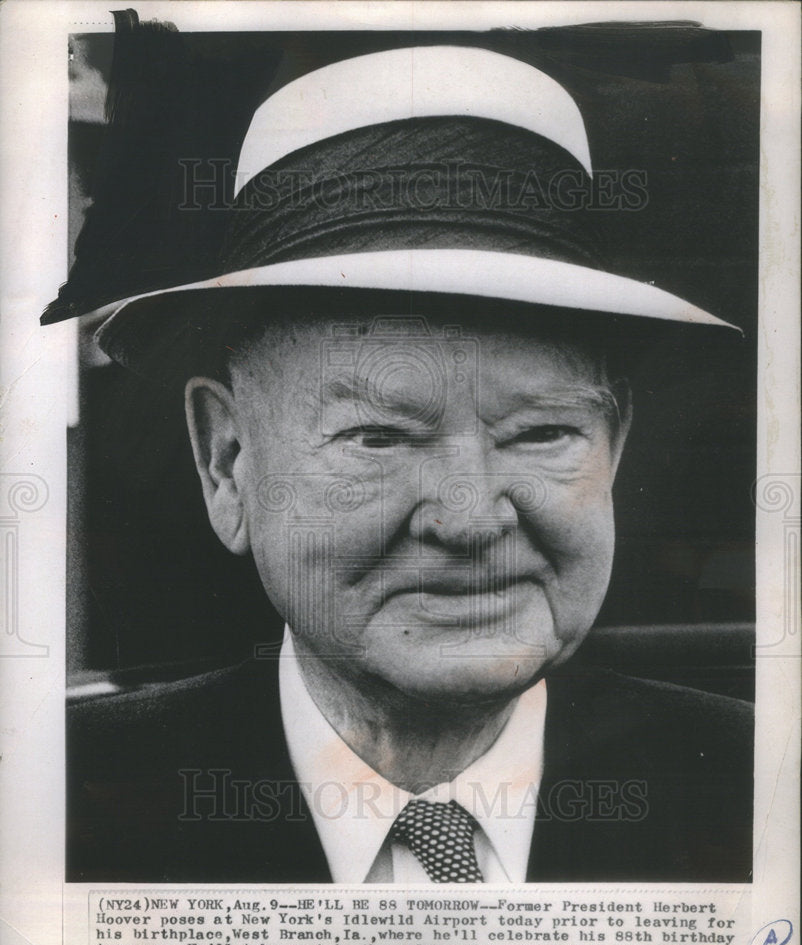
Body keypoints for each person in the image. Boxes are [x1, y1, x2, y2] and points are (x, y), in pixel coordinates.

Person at [60, 44, 753, 883]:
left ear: (616, 448)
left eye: (540, 435)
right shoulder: (59, 808)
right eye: (379, 438)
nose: (471, 517)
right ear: (228, 461)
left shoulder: (756, 788)